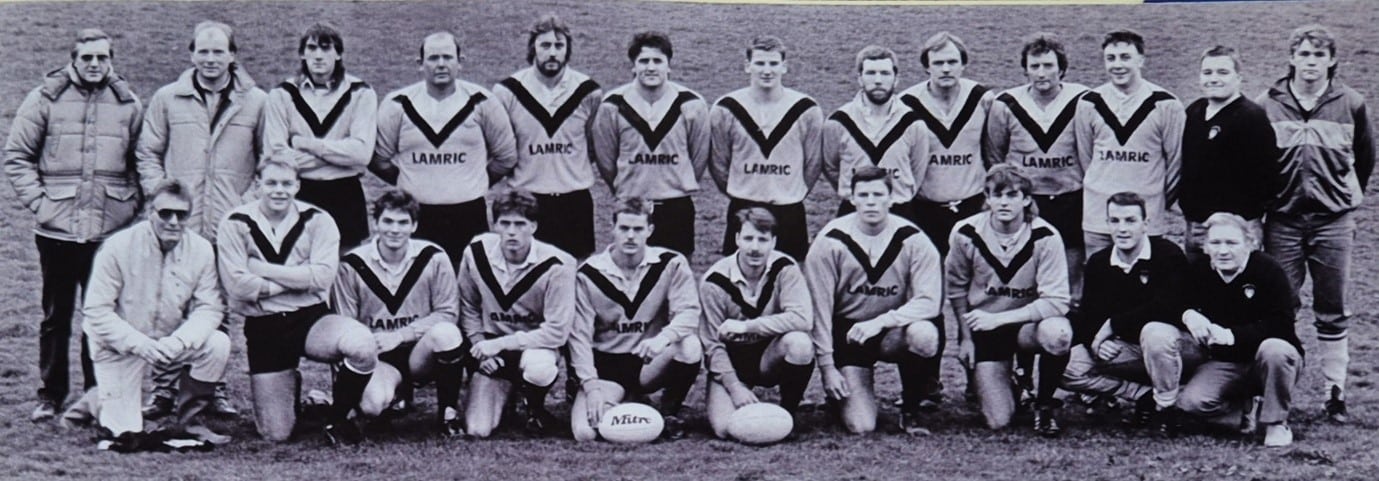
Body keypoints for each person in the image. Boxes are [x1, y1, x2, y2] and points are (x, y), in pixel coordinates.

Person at [4, 28, 143, 422]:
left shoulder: (129, 103)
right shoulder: (44, 97)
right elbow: (17, 154)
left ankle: (97, 394)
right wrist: (41, 204)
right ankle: (50, 394)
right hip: (56, 231)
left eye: (102, 57)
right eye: (87, 58)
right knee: (56, 316)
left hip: (107, 232)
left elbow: (142, 161)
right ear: (74, 59)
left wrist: (129, 208)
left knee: (99, 316)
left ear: (111, 59)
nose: (95, 65)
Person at [136, 20, 265, 419]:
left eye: (218, 51)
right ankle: (163, 390)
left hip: (226, 226)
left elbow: (268, 161)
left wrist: (245, 208)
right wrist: (165, 202)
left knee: (216, 309)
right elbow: (147, 153)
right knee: (169, 307)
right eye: (203, 51)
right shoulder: (167, 98)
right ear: (192, 55)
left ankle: (212, 388)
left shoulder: (256, 101)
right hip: (177, 227)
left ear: (232, 55)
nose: (210, 59)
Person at [216, 156, 378, 444]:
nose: (279, 190)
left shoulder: (319, 219)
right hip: (263, 326)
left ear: (297, 186)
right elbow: (238, 287)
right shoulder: (235, 222)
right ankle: (299, 393)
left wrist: (261, 270)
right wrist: (299, 279)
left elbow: (323, 278)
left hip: (310, 318)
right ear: (257, 185)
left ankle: (338, 418)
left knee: (362, 345)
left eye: (287, 183)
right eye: (271, 183)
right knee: (275, 434)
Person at [1257, 24, 1373, 423]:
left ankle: (1334, 393)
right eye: (1304, 55)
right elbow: (1254, 160)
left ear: (1332, 61)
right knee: (1279, 304)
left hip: (1333, 221)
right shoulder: (1267, 103)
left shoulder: (1352, 103)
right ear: (1291, 58)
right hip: (1283, 220)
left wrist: (1341, 197)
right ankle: (1275, 394)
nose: (1310, 63)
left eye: (1318, 55)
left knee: (1332, 307)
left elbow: (1365, 158)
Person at [82, 180, 231, 445]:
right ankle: (95, 401)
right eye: (165, 213)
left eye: (181, 214)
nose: (173, 221)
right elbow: (96, 311)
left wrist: (178, 342)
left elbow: (210, 307)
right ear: (150, 211)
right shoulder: (118, 246)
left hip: (168, 341)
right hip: (121, 345)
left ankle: (189, 420)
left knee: (217, 343)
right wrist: (140, 344)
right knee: (125, 432)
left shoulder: (201, 249)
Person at [805, 166, 943, 435]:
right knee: (862, 425)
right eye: (863, 194)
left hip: (890, 331)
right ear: (851, 198)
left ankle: (911, 409)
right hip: (848, 334)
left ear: (891, 198)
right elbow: (819, 309)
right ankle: (839, 399)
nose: (870, 201)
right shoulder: (830, 240)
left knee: (925, 333)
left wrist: (881, 322)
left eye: (878, 194)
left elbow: (929, 302)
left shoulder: (913, 239)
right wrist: (827, 368)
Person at [947, 165, 1071, 436]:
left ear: (1026, 199)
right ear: (987, 198)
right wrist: (966, 338)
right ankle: (1014, 382)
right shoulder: (965, 232)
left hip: (1027, 326)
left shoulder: (1046, 236)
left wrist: (1000, 318)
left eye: (1012, 195)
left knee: (1059, 333)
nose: (1004, 202)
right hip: (985, 329)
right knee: (998, 420)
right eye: (997, 195)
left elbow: (1058, 302)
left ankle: (1044, 403)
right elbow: (955, 289)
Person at [1060, 192, 1199, 435]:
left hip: (1174, 347)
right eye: (1115, 221)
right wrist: (1098, 341)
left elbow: (1169, 307)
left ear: (1146, 224)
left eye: (1130, 221)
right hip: (1124, 348)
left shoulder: (1168, 255)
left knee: (1155, 332)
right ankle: (1143, 396)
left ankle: (1166, 409)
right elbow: (1089, 314)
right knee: (1064, 366)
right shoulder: (1099, 262)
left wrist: (1113, 325)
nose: (1122, 229)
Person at [373, 31, 518, 261]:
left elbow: (506, 156)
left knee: (469, 286)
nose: (441, 64)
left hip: (468, 214)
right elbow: (378, 159)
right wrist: (412, 179)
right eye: (433, 58)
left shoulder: (483, 102)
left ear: (460, 62)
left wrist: (473, 179)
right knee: (415, 284)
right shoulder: (397, 104)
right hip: (415, 214)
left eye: (448, 57)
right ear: (420, 64)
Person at [332, 189, 465, 436]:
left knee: (447, 333)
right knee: (372, 407)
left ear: (414, 225)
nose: (395, 229)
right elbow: (344, 325)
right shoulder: (352, 264)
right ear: (375, 223)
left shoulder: (433, 257)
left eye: (403, 222)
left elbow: (447, 313)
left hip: (419, 352)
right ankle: (392, 396)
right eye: (388, 221)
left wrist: (402, 334)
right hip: (377, 355)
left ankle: (448, 414)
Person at [569, 198, 701, 442]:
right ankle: (628, 400)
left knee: (690, 346)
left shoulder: (671, 263)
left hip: (648, 360)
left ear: (650, 230)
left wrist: (663, 338)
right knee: (585, 433)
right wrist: (591, 385)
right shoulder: (588, 273)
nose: (631, 236)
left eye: (638, 229)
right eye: (624, 229)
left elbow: (689, 312)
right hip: (607, 364)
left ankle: (667, 412)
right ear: (612, 229)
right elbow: (579, 336)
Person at [1177, 213, 1304, 447]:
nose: (1223, 251)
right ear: (1205, 246)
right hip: (1225, 361)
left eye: (1231, 243)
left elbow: (1282, 324)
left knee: (1275, 349)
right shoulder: (1199, 270)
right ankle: (1243, 412)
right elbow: (1174, 302)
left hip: (1268, 356)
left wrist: (1232, 335)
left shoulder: (1268, 270)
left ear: (1250, 243)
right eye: (1215, 243)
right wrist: (1189, 314)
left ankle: (1276, 423)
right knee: (1191, 403)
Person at [458, 189, 576, 438]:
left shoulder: (559, 264)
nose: (512, 231)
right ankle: (505, 394)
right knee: (478, 429)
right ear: (495, 225)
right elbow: (468, 307)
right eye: (505, 223)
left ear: (533, 226)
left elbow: (556, 331)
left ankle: (534, 407)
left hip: (533, 346)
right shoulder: (475, 253)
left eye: (520, 224)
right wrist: (480, 348)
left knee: (540, 367)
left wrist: (500, 343)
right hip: (491, 352)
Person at [984, 33, 1089, 305]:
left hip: (1070, 198)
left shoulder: (1083, 100)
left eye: (1048, 66)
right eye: (1034, 66)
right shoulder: (1005, 104)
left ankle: (1069, 339)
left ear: (1062, 68)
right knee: (1025, 274)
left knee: (1070, 276)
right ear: (1025, 69)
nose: (1041, 73)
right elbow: (995, 154)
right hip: (1028, 202)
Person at [590, 31, 709, 257]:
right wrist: (628, 188)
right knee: (629, 278)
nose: (651, 67)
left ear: (669, 65)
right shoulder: (613, 105)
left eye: (658, 61)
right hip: (631, 208)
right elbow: (606, 160)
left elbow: (699, 157)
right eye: (644, 61)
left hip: (676, 206)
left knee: (676, 277)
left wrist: (675, 182)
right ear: (633, 66)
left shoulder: (692, 104)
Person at [494, 14, 603, 258]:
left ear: (568, 50)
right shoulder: (508, 91)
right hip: (526, 198)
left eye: (559, 46)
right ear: (533, 47)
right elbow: (501, 148)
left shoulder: (589, 91)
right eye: (545, 45)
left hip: (574, 200)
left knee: (576, 273)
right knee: (524, 272)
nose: (552, 53)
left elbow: (592, 146)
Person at [700, 208, 814, 439]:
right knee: (726, 429)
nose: (755, 247)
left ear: (773, 242)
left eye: (762, 240)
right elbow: (712, 344)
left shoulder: (785, 268)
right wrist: (734, 386)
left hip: (769, 356)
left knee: (800, 344)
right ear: (737, 239)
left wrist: (748, 326)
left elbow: (803, 318)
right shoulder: (714, 281)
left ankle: (788, 412)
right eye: (748, 238)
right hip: (732, 361)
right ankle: (737, 394)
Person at [264, 22, 377, 251]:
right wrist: (338, 157)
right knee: (296, 265)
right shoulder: (281, 95)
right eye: (312, 48)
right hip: (299, 192)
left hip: (345, 194)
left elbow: (362, 154)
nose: (318, 56)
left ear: (338, 54)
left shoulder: (361, 93)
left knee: (344, 271)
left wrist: (305, 144)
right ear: (302, 54)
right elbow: (277, 156)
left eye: (326, 49)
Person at [710, 35, 823, 261]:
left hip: (788, 209)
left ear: (784, 67)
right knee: (738, 278)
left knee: (789, 277)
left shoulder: (806, 109)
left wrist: (790, 190)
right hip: (743, 206)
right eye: (760, 63)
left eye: (773, 63)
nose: (767, 70)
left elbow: (813, 164)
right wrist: (743, 189)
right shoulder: (726, 108)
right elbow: (719, 162)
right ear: (747, 66)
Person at [1075, 29, 1184, 256]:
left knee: (1145, 283)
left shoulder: (1166, 104)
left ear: (1141, 60)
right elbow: (1085, 157)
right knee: (1101, 279)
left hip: (1147, 216)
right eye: (1111, 58)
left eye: (1126, 57)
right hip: (1098, 216)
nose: (1118, 65)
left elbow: (1176, 163)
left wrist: (1156, 198)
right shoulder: (1089, 103)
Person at [899, 31, 994, 256]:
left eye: (952, 62)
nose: (946, 68)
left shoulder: (983, 99)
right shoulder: (906, 104)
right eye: (938, 63)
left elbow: (995, 152)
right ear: (927, 67)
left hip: (973, 206)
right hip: (924, 209)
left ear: (963, 65)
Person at [1180, 45, 1278, 259]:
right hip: (1197, 227)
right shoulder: (1194, 112)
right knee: (1196, 289)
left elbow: (1266, 178)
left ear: (1238, 77)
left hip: (1236, 230)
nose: (1214, 79)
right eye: (1207, 73)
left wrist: (1241, 218)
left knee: (1233, 289)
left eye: (1222, 72)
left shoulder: (1252, 117)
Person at [823, 45, 928, 223]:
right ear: (859, 78)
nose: (878, 80)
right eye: (871, 73)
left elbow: (917, 171)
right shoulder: (838, 121)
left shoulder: (913, 123)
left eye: (885, 73)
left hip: (899, 211)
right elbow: (831, 167)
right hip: (852, 211)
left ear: (896, 79)